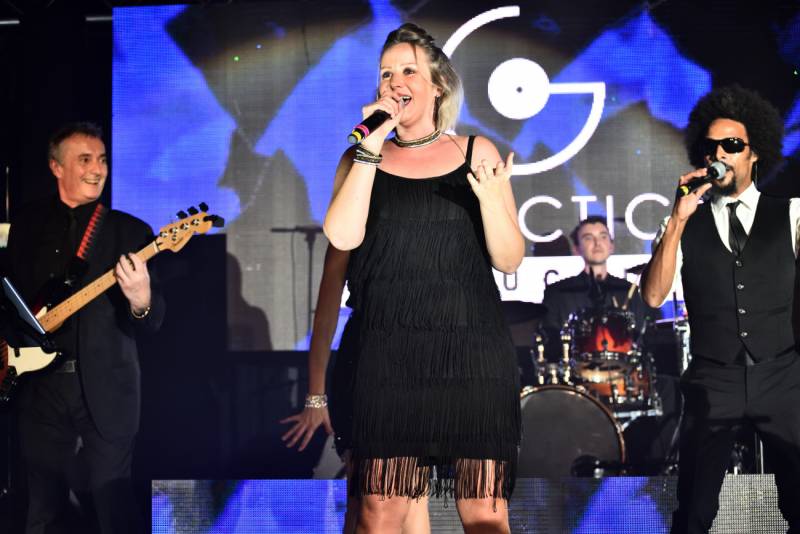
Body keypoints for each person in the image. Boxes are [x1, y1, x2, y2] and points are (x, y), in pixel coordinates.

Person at [323, 22, 524, 534]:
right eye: (386, 73)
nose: (394, 81)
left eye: (408, 70)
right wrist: (371, 144)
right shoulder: (361, 156)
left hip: (471, 357)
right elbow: (342, 236)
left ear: (437, 86)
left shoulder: (477, 152)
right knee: (379, 513)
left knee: (484, 514)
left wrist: (488, 200)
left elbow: (509, 259)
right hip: (387, 358)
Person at [641, 85, 800, 533]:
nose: (721, 154)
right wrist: (677, 219)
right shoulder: (681, 223)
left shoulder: (791, 214)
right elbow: (653, 296)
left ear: (754, 154)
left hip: (782, 374)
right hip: (714, 379)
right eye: (713, 146)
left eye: (733, 145)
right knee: (693, 511)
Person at [6, 122, 164, 533]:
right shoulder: (27, 225)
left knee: (113, 507)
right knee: (41, 508)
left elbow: (153, 323)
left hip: (107, 389)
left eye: (103, 160)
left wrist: (141, 299)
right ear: (57, 168)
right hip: (38, 388)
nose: (98, 169)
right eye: (85, 160)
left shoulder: (130, 232)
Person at [280, 244, 430, 533]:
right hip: (368, 363)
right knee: (366, 498)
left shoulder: (426, 215)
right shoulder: (353, 218)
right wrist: (315, 396)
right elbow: (325, 313)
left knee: (414, 494)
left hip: (420, 364)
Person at [541, 215, 657, 360]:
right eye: (588, 238)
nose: (597, 243)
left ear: (611, 246)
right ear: (577, 248)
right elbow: (551, 340)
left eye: (603, 237)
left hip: (624, 373)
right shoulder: (558, 293)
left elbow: (640, 337)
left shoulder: (628, 291)